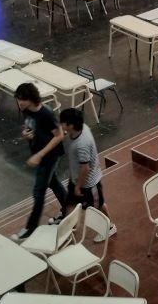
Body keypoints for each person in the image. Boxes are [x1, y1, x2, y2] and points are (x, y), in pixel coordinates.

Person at [12, 83, 67, 241]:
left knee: (39, 192)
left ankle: (30, 228)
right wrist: (26, 133)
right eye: (18, 99)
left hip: (49, 157)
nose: (19, 103)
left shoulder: (46, 114)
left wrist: (39, 155)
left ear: (31, 98)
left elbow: (59, 135)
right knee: (54, 182)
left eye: (22, 100)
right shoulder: (26, 110)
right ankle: (68, 210)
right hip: (39, 153)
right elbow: (29, 126)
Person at [58, 108, 116, 241]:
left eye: (63, 123)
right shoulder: (81, 127)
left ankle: (110, 227)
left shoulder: (82, 144)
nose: (61, 125)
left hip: (88, 183)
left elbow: (85, 168)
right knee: (70, 203)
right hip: (76, 178)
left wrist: (78, 186)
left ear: (70, 125)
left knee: (98, 206)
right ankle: (68, 229)